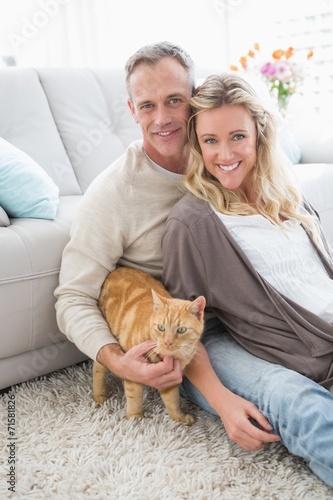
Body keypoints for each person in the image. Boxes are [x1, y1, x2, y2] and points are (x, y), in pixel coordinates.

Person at [54, 42, 279, 451]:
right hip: (188, 335)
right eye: (147, 106)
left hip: (253, 307)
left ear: (195, 98)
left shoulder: (218, 152)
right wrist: (120, 362)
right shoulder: (113, 193)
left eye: (175, 100)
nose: (161, 119)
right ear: (131, 110)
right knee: (283, 396)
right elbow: (72, 296)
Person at [161, 72, 333, 487]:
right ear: (197, 146)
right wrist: (221, 401)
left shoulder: (293, 199)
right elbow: (188, 332)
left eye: (237, 136)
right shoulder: (193, 224)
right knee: (305, 410)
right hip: (296, 358)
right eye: (210, 141)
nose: (224, 154)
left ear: (259, 134)